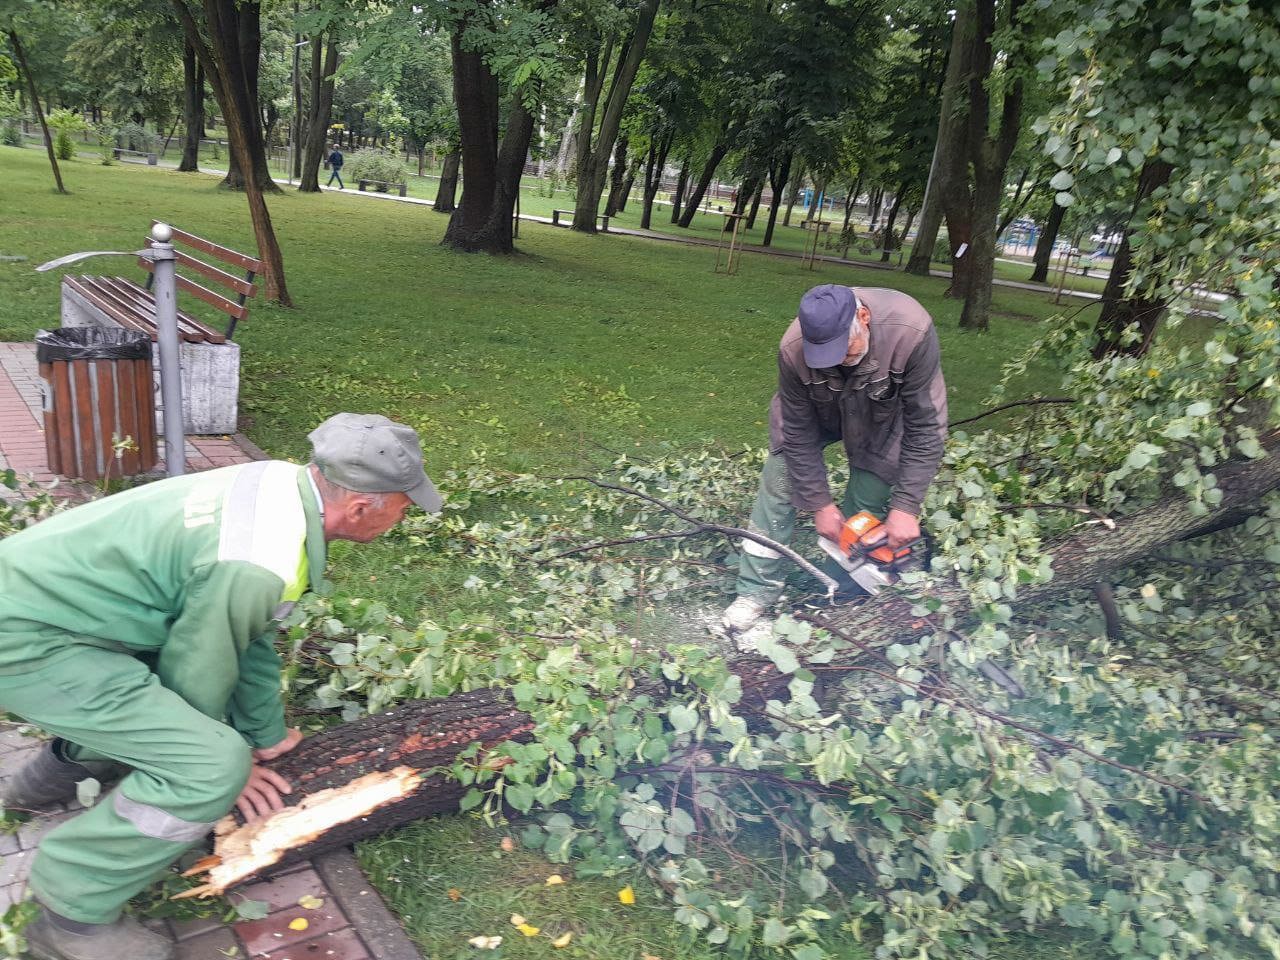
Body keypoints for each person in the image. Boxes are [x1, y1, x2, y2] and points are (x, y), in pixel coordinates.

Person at [0, 413, 442, 960]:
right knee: (208, 765)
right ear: (358, 507)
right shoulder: (258, 562)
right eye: (404, 506)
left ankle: (43, 783)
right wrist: (226, 764)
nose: (404, 517)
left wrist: (265, 732)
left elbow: (246, 632)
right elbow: (197, 672)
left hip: (58, 608)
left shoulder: (279, 485)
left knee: (169, 723)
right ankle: (69, 912)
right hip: (26, 641)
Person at [721, 284, 947, 633]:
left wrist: (906, 506)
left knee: (865, 508)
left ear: (864, 317)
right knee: (779, 479)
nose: (838, 359)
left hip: (883, 420)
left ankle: (837, 596)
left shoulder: (910, 331)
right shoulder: (793, 348)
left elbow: (926, 425)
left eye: (844, 349)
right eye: (824, 353)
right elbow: (796, 430)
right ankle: (755, 592)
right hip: (817, 411)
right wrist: (819, 504)